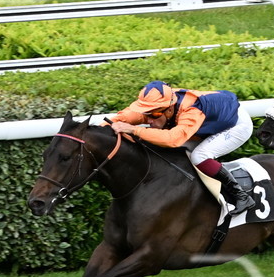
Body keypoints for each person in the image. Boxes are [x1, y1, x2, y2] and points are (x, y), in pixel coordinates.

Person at [108, 80, 257, 213]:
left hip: (235, 125)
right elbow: (131, 115)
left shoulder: (192, 110)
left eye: (154, 115)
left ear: (169, 109)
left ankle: (241, 196)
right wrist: (105, 126)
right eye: (146, 113)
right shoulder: (163, 106)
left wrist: (134, 130)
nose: (149, 120)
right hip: (208, 122)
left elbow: (173, 139)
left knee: (199, 156)